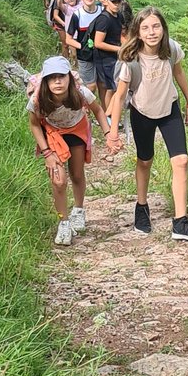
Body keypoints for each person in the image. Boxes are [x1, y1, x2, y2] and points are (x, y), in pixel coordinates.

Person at [108, 7, 188, 243]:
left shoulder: (171, 49)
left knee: (181, 161)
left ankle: (180, 222)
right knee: (145, 160)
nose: (152, 32)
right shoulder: (131, 61)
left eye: (156, 26)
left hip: (169, 108)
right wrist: (112, 132)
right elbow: (119, 97)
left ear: (163, 28)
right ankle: (141, 207)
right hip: (143, 112)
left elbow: (178, 73)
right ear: (138, 32)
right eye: (146, 28)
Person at [27, 56, 118, 245]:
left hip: (76, 129)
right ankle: (64, 222)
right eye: (52, 78)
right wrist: (47, 153)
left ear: (69, 77)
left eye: (61, 76)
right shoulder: (38, 99)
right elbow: (35, 125)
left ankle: (78, 210)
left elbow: (98, 111)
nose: (57, 81)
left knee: (77, 174)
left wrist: (108, 134)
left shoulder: (81, 92)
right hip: (52, 134)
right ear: (45, 81)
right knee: (58, 180)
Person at [92, 0, 124, 112]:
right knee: (109, 87)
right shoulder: (104, 19)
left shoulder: (118, 16)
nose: (116, 5)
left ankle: (110, 113)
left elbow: (121, 34)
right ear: (107, 1)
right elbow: (98, 43)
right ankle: (109, 116)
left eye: (118, 2)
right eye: (113, 2)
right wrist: (119, 49)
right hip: (103, 57)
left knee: (114, 86)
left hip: (114, 55)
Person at [64, 0, 101, 90]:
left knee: (103, 85)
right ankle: (87, 105)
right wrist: (83, 46)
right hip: (85, 55)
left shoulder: (102, 11)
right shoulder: (77, 15)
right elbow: (68, 39)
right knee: (90, 86)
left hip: (102, 54)